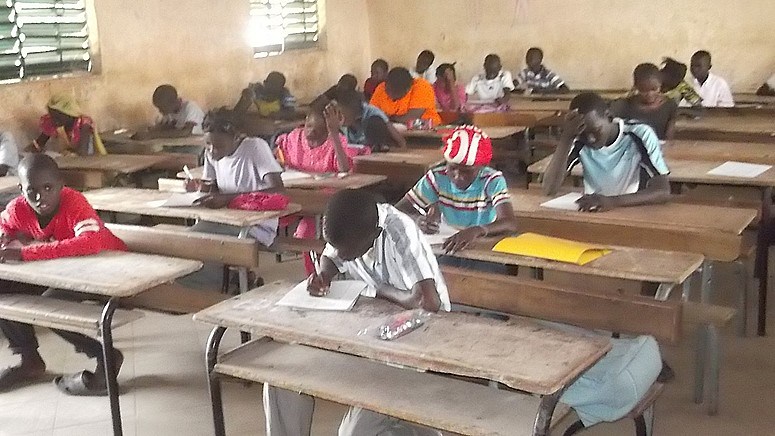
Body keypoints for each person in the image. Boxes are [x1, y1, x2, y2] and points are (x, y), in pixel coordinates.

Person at [264, 188, 450, 436]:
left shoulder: (399, 231)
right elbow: (331, 257)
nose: (341, 255)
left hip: (412, 342)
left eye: (347, 250)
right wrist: (324, 275)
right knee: (281, 380)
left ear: (375, 234)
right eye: (336, 246)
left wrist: (377, 290)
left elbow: (427, 302)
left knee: (354, 433)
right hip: (361, 332)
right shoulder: (350, 226)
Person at [0, 154, 127, 395]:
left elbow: (89, 243)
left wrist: (26, 253)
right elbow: (4, 225)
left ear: (61, 184)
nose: (40, 197)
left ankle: (106, 357)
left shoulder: (74, 203)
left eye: (48, 188)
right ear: (21, 189)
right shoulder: (18, 208)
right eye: (32, 191)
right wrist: (5, 238)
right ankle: (29, 360)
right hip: (65, 272)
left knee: (50, 306)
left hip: (108, 270)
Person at [275, 102, 370, 274]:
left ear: (328, 131)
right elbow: (278, 159)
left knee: (305, 233)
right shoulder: (293, 137)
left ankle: (315, 275)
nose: (311, 132)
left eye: (318, 131)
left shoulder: (336, 141)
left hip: (325, 202)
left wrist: (334, 134)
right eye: (309, 126)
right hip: (295, 196)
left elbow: (344, 169)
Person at [395, 125, 517, 255]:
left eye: (467, 172)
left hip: (482, 244)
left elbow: (510, 223)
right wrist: (417, 220)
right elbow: (398, 209)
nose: (458, 176)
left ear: (481, 167)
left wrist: (477, 230)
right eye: (452, 168)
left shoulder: (491, 180)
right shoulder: (437, 177)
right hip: (446, 241)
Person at [543, 92, 671, 211]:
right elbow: (549, 189)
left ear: (609, 117)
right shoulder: (577, 139)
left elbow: (662, 191)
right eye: (583, 134)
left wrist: (611, 201)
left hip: (632, 209)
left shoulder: (640, 134)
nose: (590, 139)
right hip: (594, 209)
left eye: (596, 130)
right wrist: (566, 138)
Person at [186, 108, 284, 247]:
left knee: (194, 242)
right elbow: (214, 188)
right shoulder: (211, 154)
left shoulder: (254, 147)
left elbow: (279, 191)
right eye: (208, 144)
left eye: (219, 146)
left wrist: (227, 198)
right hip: (225, 219)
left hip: (256, 226)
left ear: (236, 137)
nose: (212, 150)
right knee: (188, 239)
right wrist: (200, 188)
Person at [610, 63, 678, 140]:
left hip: (659, 146)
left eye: (654, 89)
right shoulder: (625, 105)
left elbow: (669, 137)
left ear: (660, 84)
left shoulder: (669, 106)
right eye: (643, 90)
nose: (649, 94)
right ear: (636, 86)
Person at [29, 94, 106, 156]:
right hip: (68, 159)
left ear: (69, 114)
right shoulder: (54, 122)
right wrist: (31, 151)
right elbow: (39, 143)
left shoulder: (84, 124)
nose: (54, 120)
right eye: (51, 116)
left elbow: (83, 154)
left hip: (89, 161)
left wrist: (66, 154)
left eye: (57, 117)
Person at [336, 90, 407, 151]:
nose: (338, 116)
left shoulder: (374, 116)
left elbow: (401, 142)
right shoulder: (341, 124)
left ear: (356, 115)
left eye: (341, 114)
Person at [369, 67, 442, 126]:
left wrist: (390, 118)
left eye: (395, 92)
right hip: (393, 130)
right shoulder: (381, 88)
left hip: (426, 130)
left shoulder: (422, 86)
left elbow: (412, 117)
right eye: (387, 90)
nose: (390, 95)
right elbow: (371, 113)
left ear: (407, 90)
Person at [132, 85, 205, 140]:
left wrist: (152, 135)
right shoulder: (170, 112)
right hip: (180, 145)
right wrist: (150, 131)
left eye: (162, 108)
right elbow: (166, 128)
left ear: (172, 102)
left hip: (196, 146)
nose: (160, 111)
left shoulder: (191, 107)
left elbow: (186, 132)